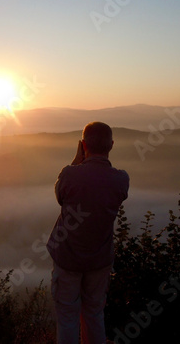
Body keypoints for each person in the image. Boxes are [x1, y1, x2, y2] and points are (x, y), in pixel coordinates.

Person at [47, 121, 129, 344]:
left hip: (68, 258)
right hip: (100, 260)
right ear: (111, 145)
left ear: (83, 145)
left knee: (67, 316)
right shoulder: (121, 179)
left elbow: (59, 196)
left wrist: (76, 161)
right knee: (94, 313)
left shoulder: (70, 175)